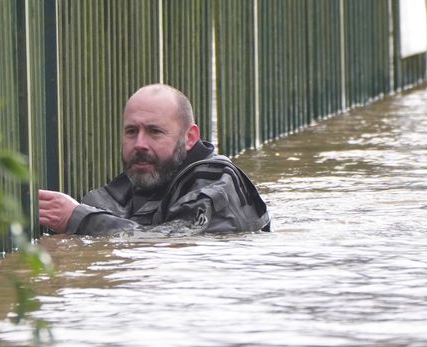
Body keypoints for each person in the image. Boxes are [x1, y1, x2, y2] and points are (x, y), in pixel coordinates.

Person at [39, 84, 270, 235]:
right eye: (131, 131)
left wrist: (79, 219)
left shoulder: (217, 186)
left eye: (154, 132)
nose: (140, 144)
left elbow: (172, 243)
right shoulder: (142, 181)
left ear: (190, 138)